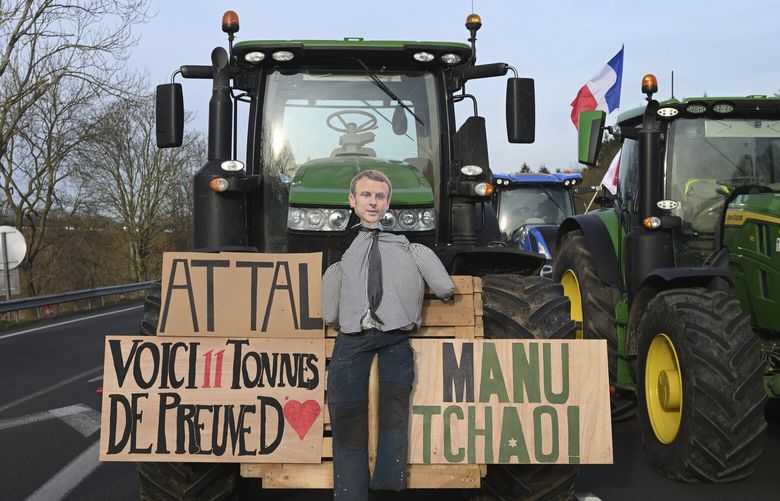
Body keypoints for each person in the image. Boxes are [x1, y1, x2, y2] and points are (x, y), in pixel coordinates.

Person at [322, 169, 454, 500]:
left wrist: (443, 289)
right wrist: (334, 315)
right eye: (366, 195)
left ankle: (389, 486)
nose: (373, 202)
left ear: (388, 202)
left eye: (379, 196)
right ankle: (350, 492)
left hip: (395, 337)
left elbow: (444, 286)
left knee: (394, 412)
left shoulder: (408, 247)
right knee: (347, 412)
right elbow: (330, 309)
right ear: (352, 201)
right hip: (352, 338)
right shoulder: (343, 251)